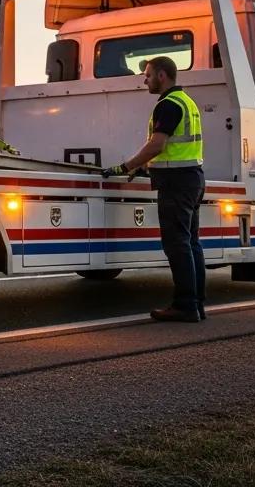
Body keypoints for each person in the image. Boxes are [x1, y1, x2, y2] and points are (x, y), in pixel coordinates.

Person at [101, 56, 206, 323]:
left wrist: (125, 166)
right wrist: (145, 167)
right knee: (191, 243)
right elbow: (173, 147)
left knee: (177, 244)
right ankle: (196, 304)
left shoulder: (168, 105)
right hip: (192, 177)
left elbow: (157, 145)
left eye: (147, 75)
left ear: (162, 75)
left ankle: (185, 305)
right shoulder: (187, 102)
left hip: (176, 182)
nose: (144, 80)